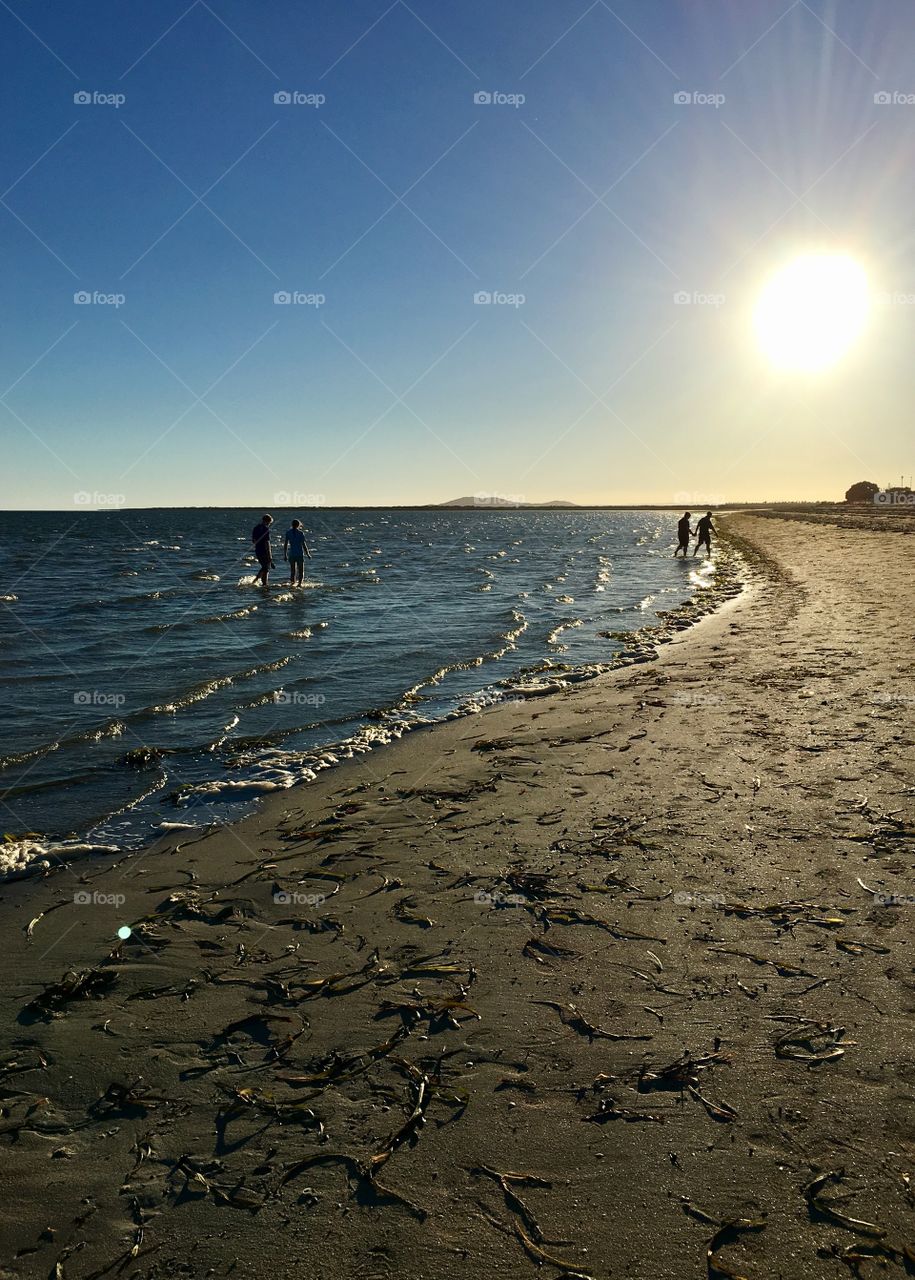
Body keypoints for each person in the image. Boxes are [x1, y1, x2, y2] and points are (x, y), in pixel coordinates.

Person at [283, 518, 312, 586]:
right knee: (301, 571)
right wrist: (308, 554)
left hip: (292, 554)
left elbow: (285, 544)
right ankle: (299, 584)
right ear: (299, 525)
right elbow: (304, 544)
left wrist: (285, 555)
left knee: (293, 571)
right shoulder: (300, 533)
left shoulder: (288, 532)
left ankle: (292, 583)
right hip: (299, 554)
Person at [251, 513, 274, 586]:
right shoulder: (266, 529)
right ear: (267, 521)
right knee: (265, 568)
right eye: (269, 523)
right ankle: (256, 581)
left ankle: (264, 583)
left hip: (258, 550)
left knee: (265, 568)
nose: (269, 525)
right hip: (264, 551)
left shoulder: (256, 528)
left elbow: (253, 541)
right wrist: (270, 555)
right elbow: (267, 543)